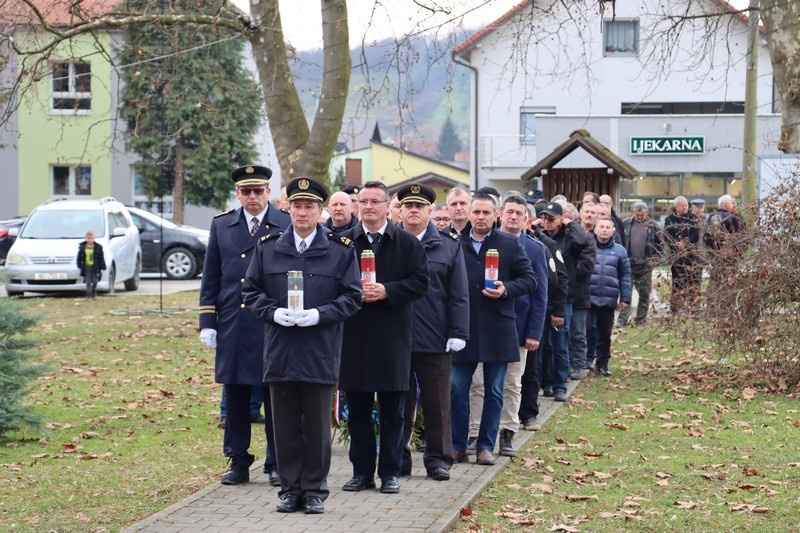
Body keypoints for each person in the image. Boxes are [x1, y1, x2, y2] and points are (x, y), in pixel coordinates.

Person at [242, 177, 362, 515]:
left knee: (317, 428)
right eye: (297, 206)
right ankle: (290, 490)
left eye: (309, 206)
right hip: (280, 349)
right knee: (285, 426)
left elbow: (352, 297)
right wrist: (272, 312)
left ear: (320, 211)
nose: (302, 212)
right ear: (287, 208)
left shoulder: (340, 250)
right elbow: (251, 292)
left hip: (319, 349)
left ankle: (314, 490)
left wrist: (320, 314)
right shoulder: (268, 248)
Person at [198, 165, 290, 486]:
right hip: (234, 322)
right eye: (246, 191)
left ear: (268, 192)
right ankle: (237, 459)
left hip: (272, 322)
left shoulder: (285, 222)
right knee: (236, 396)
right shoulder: (222, 225)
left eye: (258, 191)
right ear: (237, 194)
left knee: (275, 397)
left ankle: (277, 462)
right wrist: (207, 321)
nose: (253, 197)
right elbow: (211, 276)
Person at [339, 181, 429, 495]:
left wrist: (387, 290)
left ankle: (390, 472)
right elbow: (332, 282)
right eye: (363, 201)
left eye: (375, 202)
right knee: (358, 411)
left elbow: (421, 281)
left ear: (389, 206)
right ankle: (362, 472)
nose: (368, 207)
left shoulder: (407, 243)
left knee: (393, 412)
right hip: (355, 337)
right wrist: (354, 293)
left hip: (393, 338)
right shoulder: (343, 242)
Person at [451, 192, 536, 466]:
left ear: (496, 215)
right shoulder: (454, 242)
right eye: (476, 212)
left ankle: (486, 446)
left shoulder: (509, 243)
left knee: (495, 390)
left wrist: (506, 289)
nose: (480, 217)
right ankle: (458, 444)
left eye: (486, 212)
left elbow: (530, 279)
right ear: (469, 213)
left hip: (498, 326)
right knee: (457, 388)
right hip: (463, 327)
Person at [397, 183, 469, 482]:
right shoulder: (389, 243)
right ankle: (397, 458)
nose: (413, 211)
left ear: (430, 211)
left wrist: (458, 331)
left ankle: (439, 459)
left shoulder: (449, 245)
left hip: (435, 336)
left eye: (419, 206)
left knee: (438, 403)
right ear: (400, 210)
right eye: (408, 206)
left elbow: (459, 293)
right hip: (395, 338)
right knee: (397, 403)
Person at [468, 193, 547, 458]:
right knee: (479, 383)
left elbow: (540, 294)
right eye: (509, 212)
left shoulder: (535, 249)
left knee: (512, 383)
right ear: (500, 214)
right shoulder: (482, 243)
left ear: (526, 219)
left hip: (518, 328)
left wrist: (534, 332)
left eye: (519, 213)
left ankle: (507, 431)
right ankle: (476, 432)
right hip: (482, 326)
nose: (513, 217)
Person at [521, 203, 568, 430]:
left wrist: (557, 309)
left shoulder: (545, 245)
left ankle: (530, 411)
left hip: (537, 312)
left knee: (534, 364)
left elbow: (558, 279)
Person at [544, 201, 596, 382]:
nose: (547, 221)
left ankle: (565, 376)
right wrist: (535, 224)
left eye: (551, 218)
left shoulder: (569, 238)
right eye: (545, 218)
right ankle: (548, 379)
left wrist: (569, 223)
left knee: (567, 338)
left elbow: (582, 240)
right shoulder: (541, 236)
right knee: (547, 343)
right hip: (547, 295)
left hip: (569, 295)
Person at [590, 218, 631, 376]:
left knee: (604, 334)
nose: (604, 230)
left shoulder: (620, 251)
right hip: (588, 298)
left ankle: (602, 364)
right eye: (601, 226)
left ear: (613, 231)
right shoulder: (587, 247)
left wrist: (625, 298)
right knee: (587, 331)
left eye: (608, 227)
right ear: (595, 229)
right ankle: (586, 360)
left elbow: (625, 276)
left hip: (608, 299)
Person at [617, 202, 663, 328]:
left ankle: (640, 320)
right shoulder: (626, 224)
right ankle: (622, 319)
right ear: (633, 212)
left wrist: (655, 260)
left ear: (646, 212)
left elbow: (660, 245)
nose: (639, 217)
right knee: (626, 293)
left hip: (645, 266)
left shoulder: (654, 226)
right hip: (629, 265)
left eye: (642, 215)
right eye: (637, 215)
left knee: (644, 295)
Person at [663, 196, 701, 313]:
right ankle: (675, 308)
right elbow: (667, 236)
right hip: (677, 257)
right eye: (682, 206)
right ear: (676, 207)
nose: (685, 207)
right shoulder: (669, 220)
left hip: (691, 257)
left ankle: (693, 308)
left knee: (693, 282)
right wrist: (676, 244)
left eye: (686, 205)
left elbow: (696, 235)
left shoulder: (693, 218)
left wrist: (686, 243)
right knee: (677, 283)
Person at [77, 230, 106, 300]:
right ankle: (88, 295)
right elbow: (79, 257)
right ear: (86, 239)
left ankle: (93, 292)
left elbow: (101, 258)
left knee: (95, 281)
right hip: (87, 267)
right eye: (88, 238)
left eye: (91, 238)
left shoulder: (98, 247)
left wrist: (103, 266)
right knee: (88, 282)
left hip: (95, 267)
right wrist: (79, 265)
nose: (90, 240)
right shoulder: (83, 247)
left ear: (94, 238)